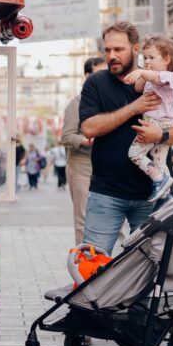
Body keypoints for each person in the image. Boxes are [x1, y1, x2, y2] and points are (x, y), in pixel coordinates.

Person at [79, 22, 173, 255]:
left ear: (136, 48)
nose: (112, 56)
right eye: (107, 50)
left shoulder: (157, 80)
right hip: (106, 194)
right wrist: (134, 108)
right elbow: (88, 128)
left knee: (148, 266)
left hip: (151, 195)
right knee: (91, 263)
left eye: (118, 49)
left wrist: (161, 135)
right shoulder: (95, 83)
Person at [123, 35, 173, 201]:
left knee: (134, 153)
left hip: (157, 122)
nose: (147, 60)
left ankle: (157, 179)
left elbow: (155, 78)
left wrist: (142, 71)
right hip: (162, 124)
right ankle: (167, 196)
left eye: (152, 57)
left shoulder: (168, 76)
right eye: (145, 57)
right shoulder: (150, 76)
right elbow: (139, 87)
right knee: (160, 160)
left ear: (167, 59)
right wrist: (142, 74)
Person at [62, 57, 107, 244]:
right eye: (99, 74)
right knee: (83, 219)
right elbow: (66, 137)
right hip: (81, 169)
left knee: (109, 217)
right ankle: (84, 265)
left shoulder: (108, 100)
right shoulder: (76, 103)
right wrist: (86, 140)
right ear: (88, 76)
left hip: (105, 169)